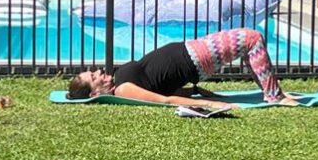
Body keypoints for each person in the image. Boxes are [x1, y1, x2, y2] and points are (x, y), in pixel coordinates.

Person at [67, 28, 298, 108]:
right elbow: (165, 101)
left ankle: (271, 92)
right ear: (95, 93)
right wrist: (209, 104)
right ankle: (273, 96)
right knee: (252, 39)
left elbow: (161, 87)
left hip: (192, 51)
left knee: (249, 43)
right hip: (193, 59)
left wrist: (192, 91)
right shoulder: (123, 90)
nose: (98, 71)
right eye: (93, 76)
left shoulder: (119, 80)